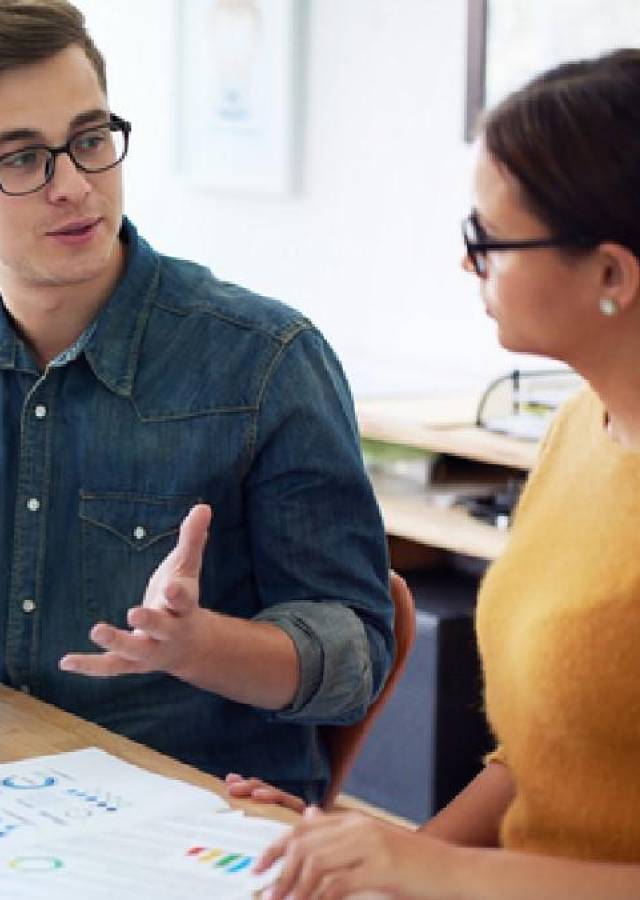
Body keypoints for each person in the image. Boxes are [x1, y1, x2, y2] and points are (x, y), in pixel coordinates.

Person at [0, 0, 393, 802]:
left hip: (200, 811)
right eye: (22, 160)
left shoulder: (264, 359)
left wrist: (197, 646)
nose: (74, 187)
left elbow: (356, 660)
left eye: (90, 141)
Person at [229, 48, 640, 899]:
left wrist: (435, 870)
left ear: (611, 274)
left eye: (486, 240)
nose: (468, 265)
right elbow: (542, 761)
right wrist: (364, 857)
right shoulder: (579, 430)